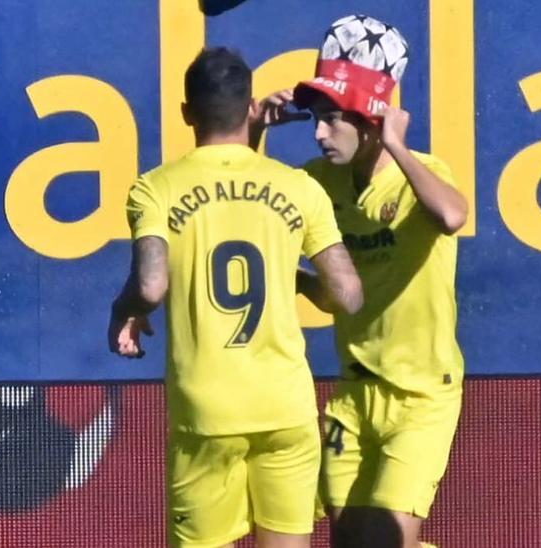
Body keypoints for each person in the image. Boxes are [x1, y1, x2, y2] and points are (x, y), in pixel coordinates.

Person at [107, 47, 362, 548]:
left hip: (208, 412)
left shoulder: (155, 189)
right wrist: (291, 275)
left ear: (186, 114)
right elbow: (348, 295)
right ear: (250, 107)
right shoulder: (298, 187)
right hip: (285, 407)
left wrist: (125, 310)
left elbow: (150, 285)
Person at [254, 14, 469, 548]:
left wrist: (396, 144)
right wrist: (256, 125)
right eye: (315, 119)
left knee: (379, 539)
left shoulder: (421, 173)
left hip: (421, 397)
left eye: (331, 120)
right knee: (349, 541)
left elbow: (452, 217)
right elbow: (249, 202)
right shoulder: (316, 181)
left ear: (370, 121)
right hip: (352, 395)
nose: (319, 132)